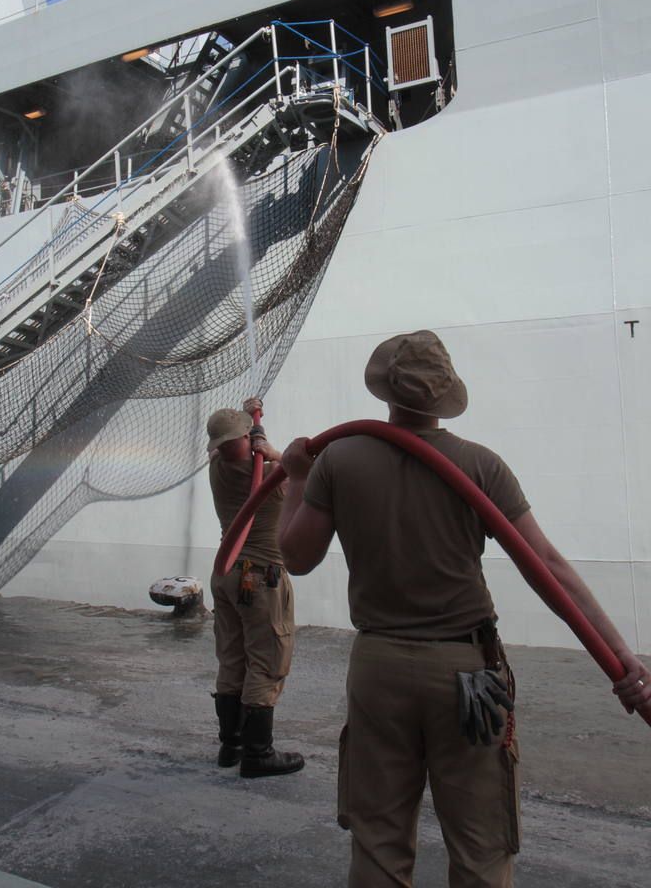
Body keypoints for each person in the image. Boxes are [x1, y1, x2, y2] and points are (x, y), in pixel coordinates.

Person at [277, 330, 651, 887]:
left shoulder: (339, 461)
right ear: (446, 395)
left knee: (378, 842)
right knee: (481, 845)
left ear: (385, 392)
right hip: (466, 676)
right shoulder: (480, 465)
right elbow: (545, 564)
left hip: (378, 668)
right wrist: (623, 657)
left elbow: (297, 557)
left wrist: (297, 479)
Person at [207, 397, 304, 778]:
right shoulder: (269, 477)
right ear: (248, 440)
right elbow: (303, 474)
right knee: (266, 660)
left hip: (226, 573)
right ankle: (258, 754)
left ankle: (230, 746)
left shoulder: (216, 468)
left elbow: (243, 454)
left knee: (232, 658)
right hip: (261, 577)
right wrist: (273, 449)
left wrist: (253, 427)